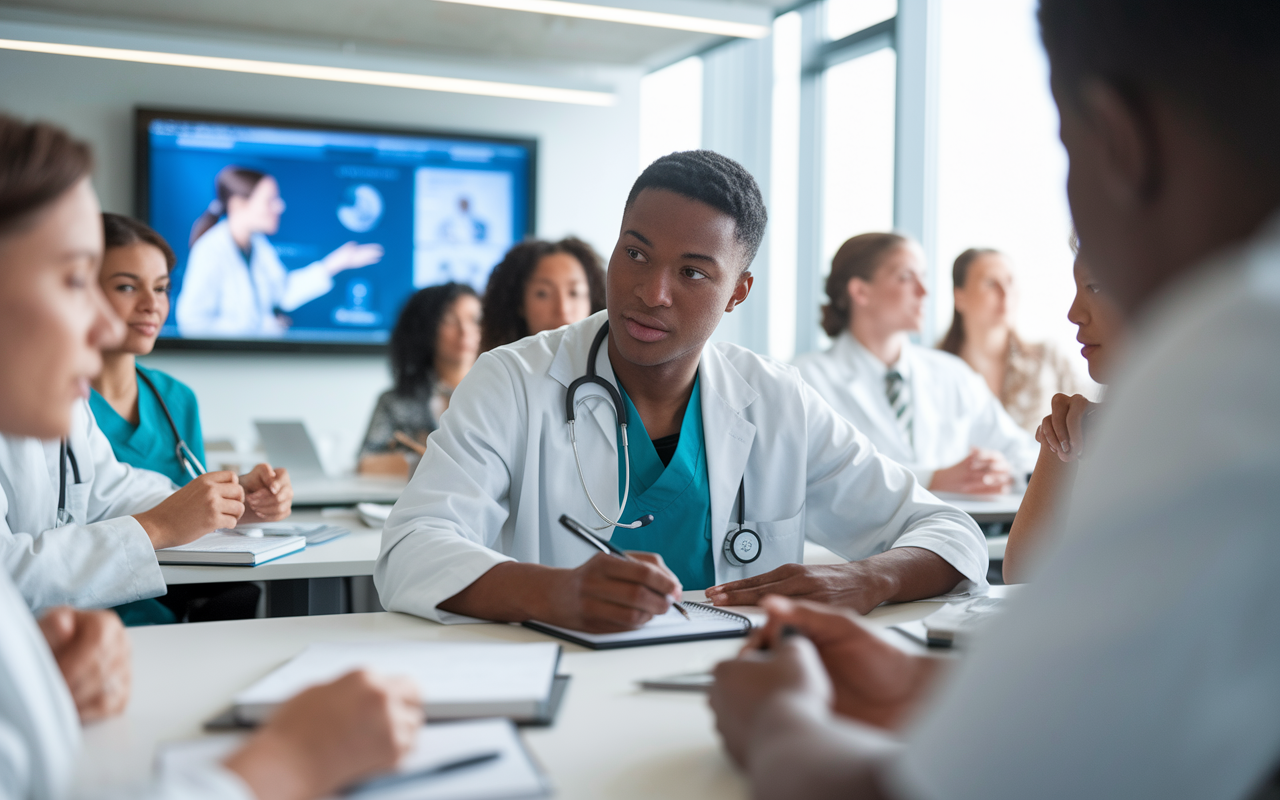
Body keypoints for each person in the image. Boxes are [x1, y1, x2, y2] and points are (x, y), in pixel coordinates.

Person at [708, 1, 1280, 798]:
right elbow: (1151, 705)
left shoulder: (1232, 377)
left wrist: (777, 716)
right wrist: (924, 689)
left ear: (1119, 143)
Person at [375, 150, 988, 632]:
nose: (652, 291)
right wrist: (554, 591)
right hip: (562, 674)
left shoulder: (776, 400)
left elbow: (951, 533)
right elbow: (410, 549)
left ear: (739, 291)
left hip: (734, 686)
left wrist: (867, 579)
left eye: (692, 271)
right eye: (636, 254)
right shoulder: (513, 380)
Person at [0, 112, 422, 800]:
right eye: (78, 280)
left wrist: (223, 504)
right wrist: (286, 765)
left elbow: (111, 487)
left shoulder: (62, 407)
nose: (113, 322)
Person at [90, 212, 294, 622]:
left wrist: (242, 501)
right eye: (127, 286)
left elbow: (185, 512)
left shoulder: (175, 399)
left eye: (162, 288)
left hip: (169, 598)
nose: (152, 305)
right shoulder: (49, 405)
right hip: (94, 605)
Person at [794, 234, 1038, 495]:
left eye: (924, 276)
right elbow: (813, 478)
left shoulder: (952, 373)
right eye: (906, 277)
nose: (924, 291)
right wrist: (928, 479)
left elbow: (1024, 454)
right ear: (861, 291)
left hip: (964, 532)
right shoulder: (806, 379)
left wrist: (1003, 472)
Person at [1002, 243, 1126, 583]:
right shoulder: (1091, 421)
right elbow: (1023, 578)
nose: (1074, 313)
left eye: (1095, 287)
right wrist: (1059, 447)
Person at [175, 165, 384, 338]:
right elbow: (193, 324)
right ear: (238, 204)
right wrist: (260, 329)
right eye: (270, 201)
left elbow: (282, 292)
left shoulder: (258, 244)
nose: (280, 206)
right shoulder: (211, 250)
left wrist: (334, 264)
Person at [937, 247, 1079, 431]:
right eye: (990, 283)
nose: (1005, 292)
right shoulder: (934, 370)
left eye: (1010, 282)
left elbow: (1091, 428)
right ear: (960, 297)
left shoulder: (1048, 358)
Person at [357, 283, 482, 478]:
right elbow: (365, 463)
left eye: (476, 320)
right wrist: (427, 462)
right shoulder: (396, 401)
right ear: (426, 328)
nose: (465, 331)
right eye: (449, 320)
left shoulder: (502, 394)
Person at [479, 236, 606, 352]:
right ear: (519, 304)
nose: (563, 309)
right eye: (543, 294)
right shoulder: (499, 370)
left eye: (574, 293)